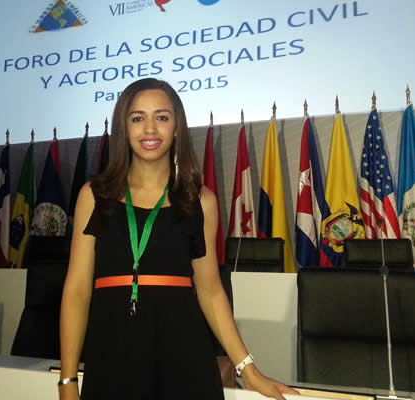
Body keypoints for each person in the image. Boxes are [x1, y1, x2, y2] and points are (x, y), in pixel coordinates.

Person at [59, 78, 296, 400]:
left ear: (176, 128)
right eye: (137, 118)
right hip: (113, 357)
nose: (150, 129)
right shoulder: (94, 196)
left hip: (186, 359)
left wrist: (248, 370)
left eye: (162, 117)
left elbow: (211, 291)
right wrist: (67, 381)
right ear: (123, 128)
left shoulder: (201, 201)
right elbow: (76, 291)